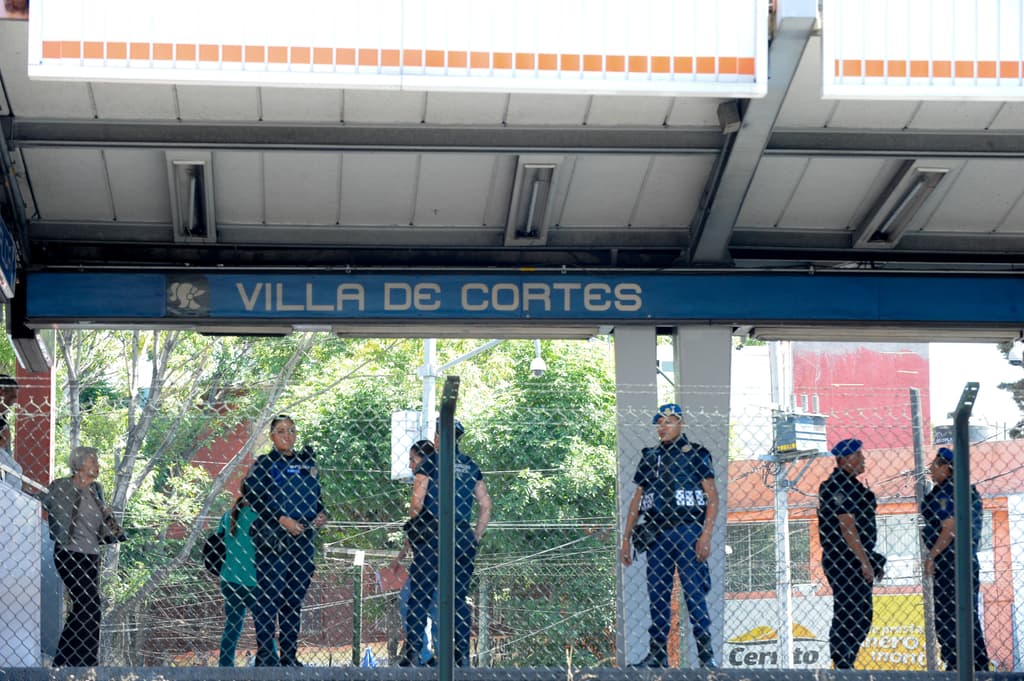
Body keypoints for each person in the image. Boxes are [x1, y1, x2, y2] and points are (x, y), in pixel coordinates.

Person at [620, 403, 719, 669]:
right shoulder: (650, 456)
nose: (663, 427)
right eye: (659, 423)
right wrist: (625, 539)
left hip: (688, 530)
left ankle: (707, 658)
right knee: (658, 597)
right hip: (657, 535)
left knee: (694, 595)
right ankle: (657, 655)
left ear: (681, 424)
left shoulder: (697, 454)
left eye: (669, 421)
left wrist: (706, 535)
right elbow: (636, 500)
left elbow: (712, 497)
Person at [400, 421, 491, 667]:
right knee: (457, 599)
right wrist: (475, 536)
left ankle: (414, 652)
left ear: (438, 437)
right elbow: (485, 505)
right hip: (462, 537)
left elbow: (417, 502)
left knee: (419, 595)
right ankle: (460, 653)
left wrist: (416, 526)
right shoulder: (471, 466)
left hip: (432, 536)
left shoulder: (430, 463)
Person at [244, 415, 327, 667]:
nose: (287, 436)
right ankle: (266, 655)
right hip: (274, 542)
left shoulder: (305, 463)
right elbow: (251, 494)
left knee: (293, 601)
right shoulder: (265, 463)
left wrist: (321, 513)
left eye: (291, 431)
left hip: (302, 541)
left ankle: (289, 656)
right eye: (281, 431)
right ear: (271, 435)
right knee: (269, 599)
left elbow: (316, 495)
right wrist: (281, 519)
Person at [40, 446, 121, 667]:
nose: (97, 465)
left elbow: (102, 518)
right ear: (79, 465)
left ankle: (65, 660)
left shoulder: (97, 489)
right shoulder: (61, 486)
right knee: (91, 604)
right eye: (93, 461)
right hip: (67, 553)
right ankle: (86, 662)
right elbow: (41, 501)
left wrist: (110, 521)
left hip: (91, 555)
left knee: (84, 606)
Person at [921, 446, 991, 672]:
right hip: (965, 563)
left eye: (934, 465)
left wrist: (931, 557)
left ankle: (956, 665)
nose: (931, 469)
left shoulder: (946, 492)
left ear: (946, 468)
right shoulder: (967, 491)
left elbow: (949, 528)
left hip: (949, 564)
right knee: (966, 617)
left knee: (946, 618)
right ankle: (977, 668)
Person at [817, 437, 882, 670]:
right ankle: (842, 660)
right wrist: (864, 561)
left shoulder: (853, 486)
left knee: (860, 612)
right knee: (850, 609)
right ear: (845, 460)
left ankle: (846, 659)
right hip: (845, 559)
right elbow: (847, 526)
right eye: (858, 456)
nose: (863, 460)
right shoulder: (838, 485)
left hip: (854, 557)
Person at [390, 442, 439, 666]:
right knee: (411, 600)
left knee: (424, 603)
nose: (410, 465)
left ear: (422, 458)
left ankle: (427, 654)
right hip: (431, 554)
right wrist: (399, 558)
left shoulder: (426, 476)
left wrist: (413, 516)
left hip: (431, 557)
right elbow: (415, 532)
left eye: (413, 459)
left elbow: (415, 513)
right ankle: (426, 654)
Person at [218, 484, 259, 667]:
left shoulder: (228, 516)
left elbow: (218, 543)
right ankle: (271, 666)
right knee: (264, 629)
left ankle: (225, 668)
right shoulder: (261, 517)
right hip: (256, 582)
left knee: (232, 627)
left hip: (229, 579)